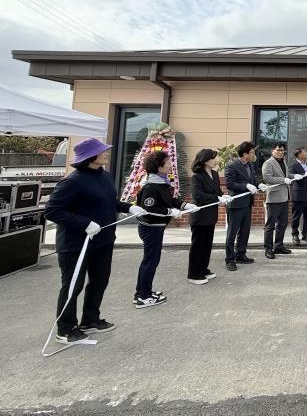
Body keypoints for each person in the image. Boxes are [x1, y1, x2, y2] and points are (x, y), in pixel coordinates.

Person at [45, 138, 141, 343]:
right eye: (102, 151)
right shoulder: (72, 182)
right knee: (73, 286)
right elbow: (52, 211)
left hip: (103, 241)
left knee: (99, 281)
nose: (107, 153)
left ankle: (90, 319)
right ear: (90, 156)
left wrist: (129, 207)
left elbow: (110, 202)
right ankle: (66, 329)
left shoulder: (105, 176)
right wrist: (84, 223)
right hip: (76, 244)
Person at [134, 151, 197, 308]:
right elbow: (149, 209)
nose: (171, 165)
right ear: (159, 166)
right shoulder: (151, 186)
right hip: (150, 228)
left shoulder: (161, 182)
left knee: (150, 261)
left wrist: (185, 205)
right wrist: (170, 212)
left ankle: (142, 292)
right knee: (150, 261)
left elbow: (169, 200)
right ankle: (143, 296)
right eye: (168, 162)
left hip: (156, 227)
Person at [188, 148, 232, 285]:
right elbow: (198, 196)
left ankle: (203, 269)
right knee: (198, 246)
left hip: (211, 216)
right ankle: (194, 274)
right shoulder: (196, 176)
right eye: (212, 158)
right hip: (200, 216)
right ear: (205, 160)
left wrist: (223, 196)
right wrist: (217, 198)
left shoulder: (215, 174)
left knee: (207, 245)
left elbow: (217, 191)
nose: (215, 161)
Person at [224, 141, 259, 271]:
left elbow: (253, 181)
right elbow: (230, 184)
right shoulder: (232, 166)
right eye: (252, 152)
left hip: (247, 203)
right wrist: (246, 186)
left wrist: (258, 185)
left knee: (245, 231)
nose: (254, 155)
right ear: (245, 154)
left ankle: (241, 254)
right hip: (236, 204)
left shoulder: (250, 165)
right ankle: (229, 259)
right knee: (232, 233)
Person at [261, 142, 293, 258]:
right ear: (272, 151)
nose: (280, 152)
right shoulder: (268, 163)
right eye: (278, 150)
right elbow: (267, 178)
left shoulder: (283, 162)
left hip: (284, 197)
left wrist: (296, 176)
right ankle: (268, 249)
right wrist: (283, 180)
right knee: (270, 226)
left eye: (282, 150)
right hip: (273, 198)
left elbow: (287, 175)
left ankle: (278, 246)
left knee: (283, 224)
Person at [289, 146, 307, 246]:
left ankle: (305, 234)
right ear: (299, 155)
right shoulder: (293, 165)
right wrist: (300, 174)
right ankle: (295, 234)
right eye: (305, 152)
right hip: (298, 195)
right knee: (296, 216)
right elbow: (290, 175)